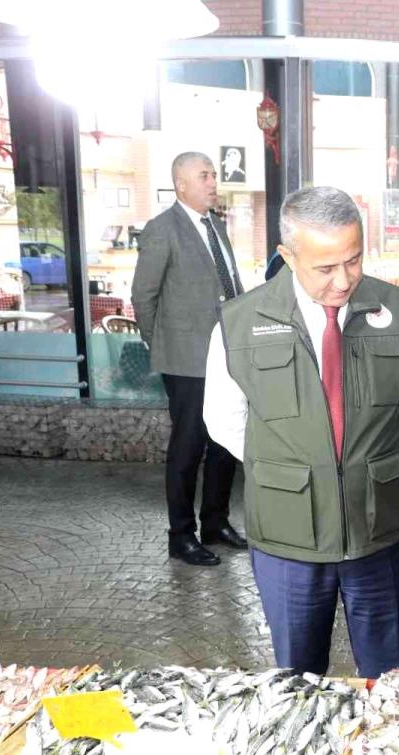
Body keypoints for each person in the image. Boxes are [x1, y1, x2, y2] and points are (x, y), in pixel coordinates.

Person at [203, 186, 399, 677]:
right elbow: (224, 420)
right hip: (289, 541)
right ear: (288, 256)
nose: (343, 280)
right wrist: (296, 465)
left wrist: (365, 460)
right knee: (298, 677)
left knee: (387, 677)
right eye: (325, 268)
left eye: (353, 260)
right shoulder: (240, 324)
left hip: (379, 531)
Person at [131, 151, 246, 566]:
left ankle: (215, 522)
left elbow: (229, 287)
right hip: (185, 361)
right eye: (204, 176)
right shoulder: (163, 229)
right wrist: (161, 344)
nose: (213, 182)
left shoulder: (216, 226)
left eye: (213, 175)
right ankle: (181, 536)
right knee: (188, 446)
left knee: (224, 441)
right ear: (181, 184)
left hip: (224, 356)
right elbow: (143, 296)